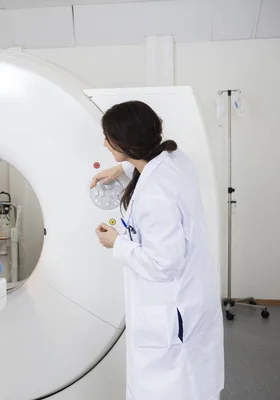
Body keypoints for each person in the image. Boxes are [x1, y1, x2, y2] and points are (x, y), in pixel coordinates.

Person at [91, 101, 224, 400]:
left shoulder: (154, 194)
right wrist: (121, 167)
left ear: (126, 141)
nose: (104, 143)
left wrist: (117, 243)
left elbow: (165, 264)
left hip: (171, 313)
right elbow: (152, 162)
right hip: (190, 299)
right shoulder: (174, 159)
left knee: (168, 387)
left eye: (109, 137)